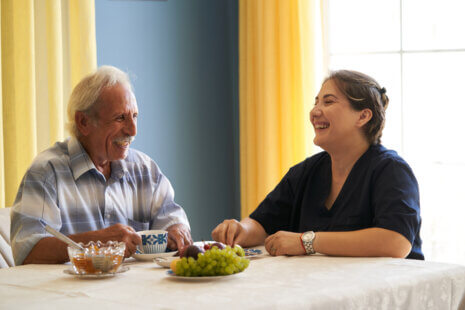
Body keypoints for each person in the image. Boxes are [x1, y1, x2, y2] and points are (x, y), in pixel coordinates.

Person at [212, 70, 423, 259]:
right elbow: (263, 223)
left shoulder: (392, 170)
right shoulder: (305, 172)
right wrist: (240, 230)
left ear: (363, 116)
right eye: (316, 102)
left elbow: (396, 242)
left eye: (328, 102)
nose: (314, 112)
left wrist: (306, 242)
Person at [10, 66, 192, 265]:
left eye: (135, 116)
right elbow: (27, 250)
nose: (133, 130)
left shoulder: (144, 170)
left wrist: (177, 230)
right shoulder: (46, 172)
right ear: (84, 122)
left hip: (138, 293)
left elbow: (172, 219)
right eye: (120, 118)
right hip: (69, 294)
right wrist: (97, 242)